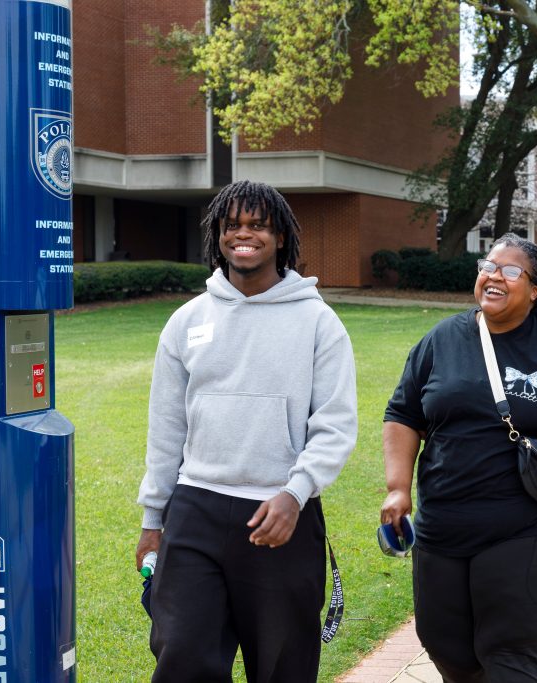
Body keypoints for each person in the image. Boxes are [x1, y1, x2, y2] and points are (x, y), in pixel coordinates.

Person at [135, 180, 359, 682]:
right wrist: (154, 519)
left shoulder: (319, 323)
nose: (244, 234)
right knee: (182, 658)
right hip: (197, 509)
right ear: (217, 234)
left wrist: (294, 494)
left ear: (280, 236)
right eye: (232, 224)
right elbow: (167, 429)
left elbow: (335, 426)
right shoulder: (187, 320)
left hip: (280, 516)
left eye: (258, 225)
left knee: (284, 668)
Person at [382, 233, 537, 682]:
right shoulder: (442, 340)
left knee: (509, 652)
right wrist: (398, 488)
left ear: (535, 290)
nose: (494, 276)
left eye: (511, 271)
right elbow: (403, 414)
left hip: (530, 528)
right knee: (445, 645)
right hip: (444, 527)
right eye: (488, 266)